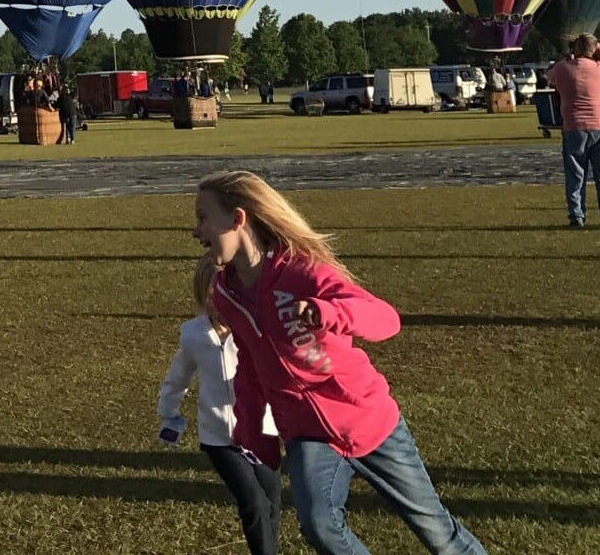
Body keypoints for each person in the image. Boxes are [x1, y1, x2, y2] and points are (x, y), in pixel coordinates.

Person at [195, 170, 485, 555]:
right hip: (308, 436)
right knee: (318, 525)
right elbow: (249, 365)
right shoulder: (226, 294)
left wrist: (329, 312)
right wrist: (254, 433)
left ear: (238, 218)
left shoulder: (301, 271)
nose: (196, 231)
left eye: (203, 218)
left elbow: (386, 319)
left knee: (437, 531)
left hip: (369, 421)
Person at [159, 253, 280, 554]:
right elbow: (177, 377)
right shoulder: (194, 336)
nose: (220, 304)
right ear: (202, 297)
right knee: (254, 502)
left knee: (271, 501)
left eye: (228, 294)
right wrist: (169, 414)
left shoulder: (255, 328)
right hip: (220, 439)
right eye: (213, 297)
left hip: (261, 432)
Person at [546, 35, 600, 230]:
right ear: (593, 50)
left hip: (573, 127)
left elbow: (549, 76)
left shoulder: (562, 69)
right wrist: (595, 43)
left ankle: (577, 215)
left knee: (575, 175)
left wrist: (570, 53)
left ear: (575, 49)